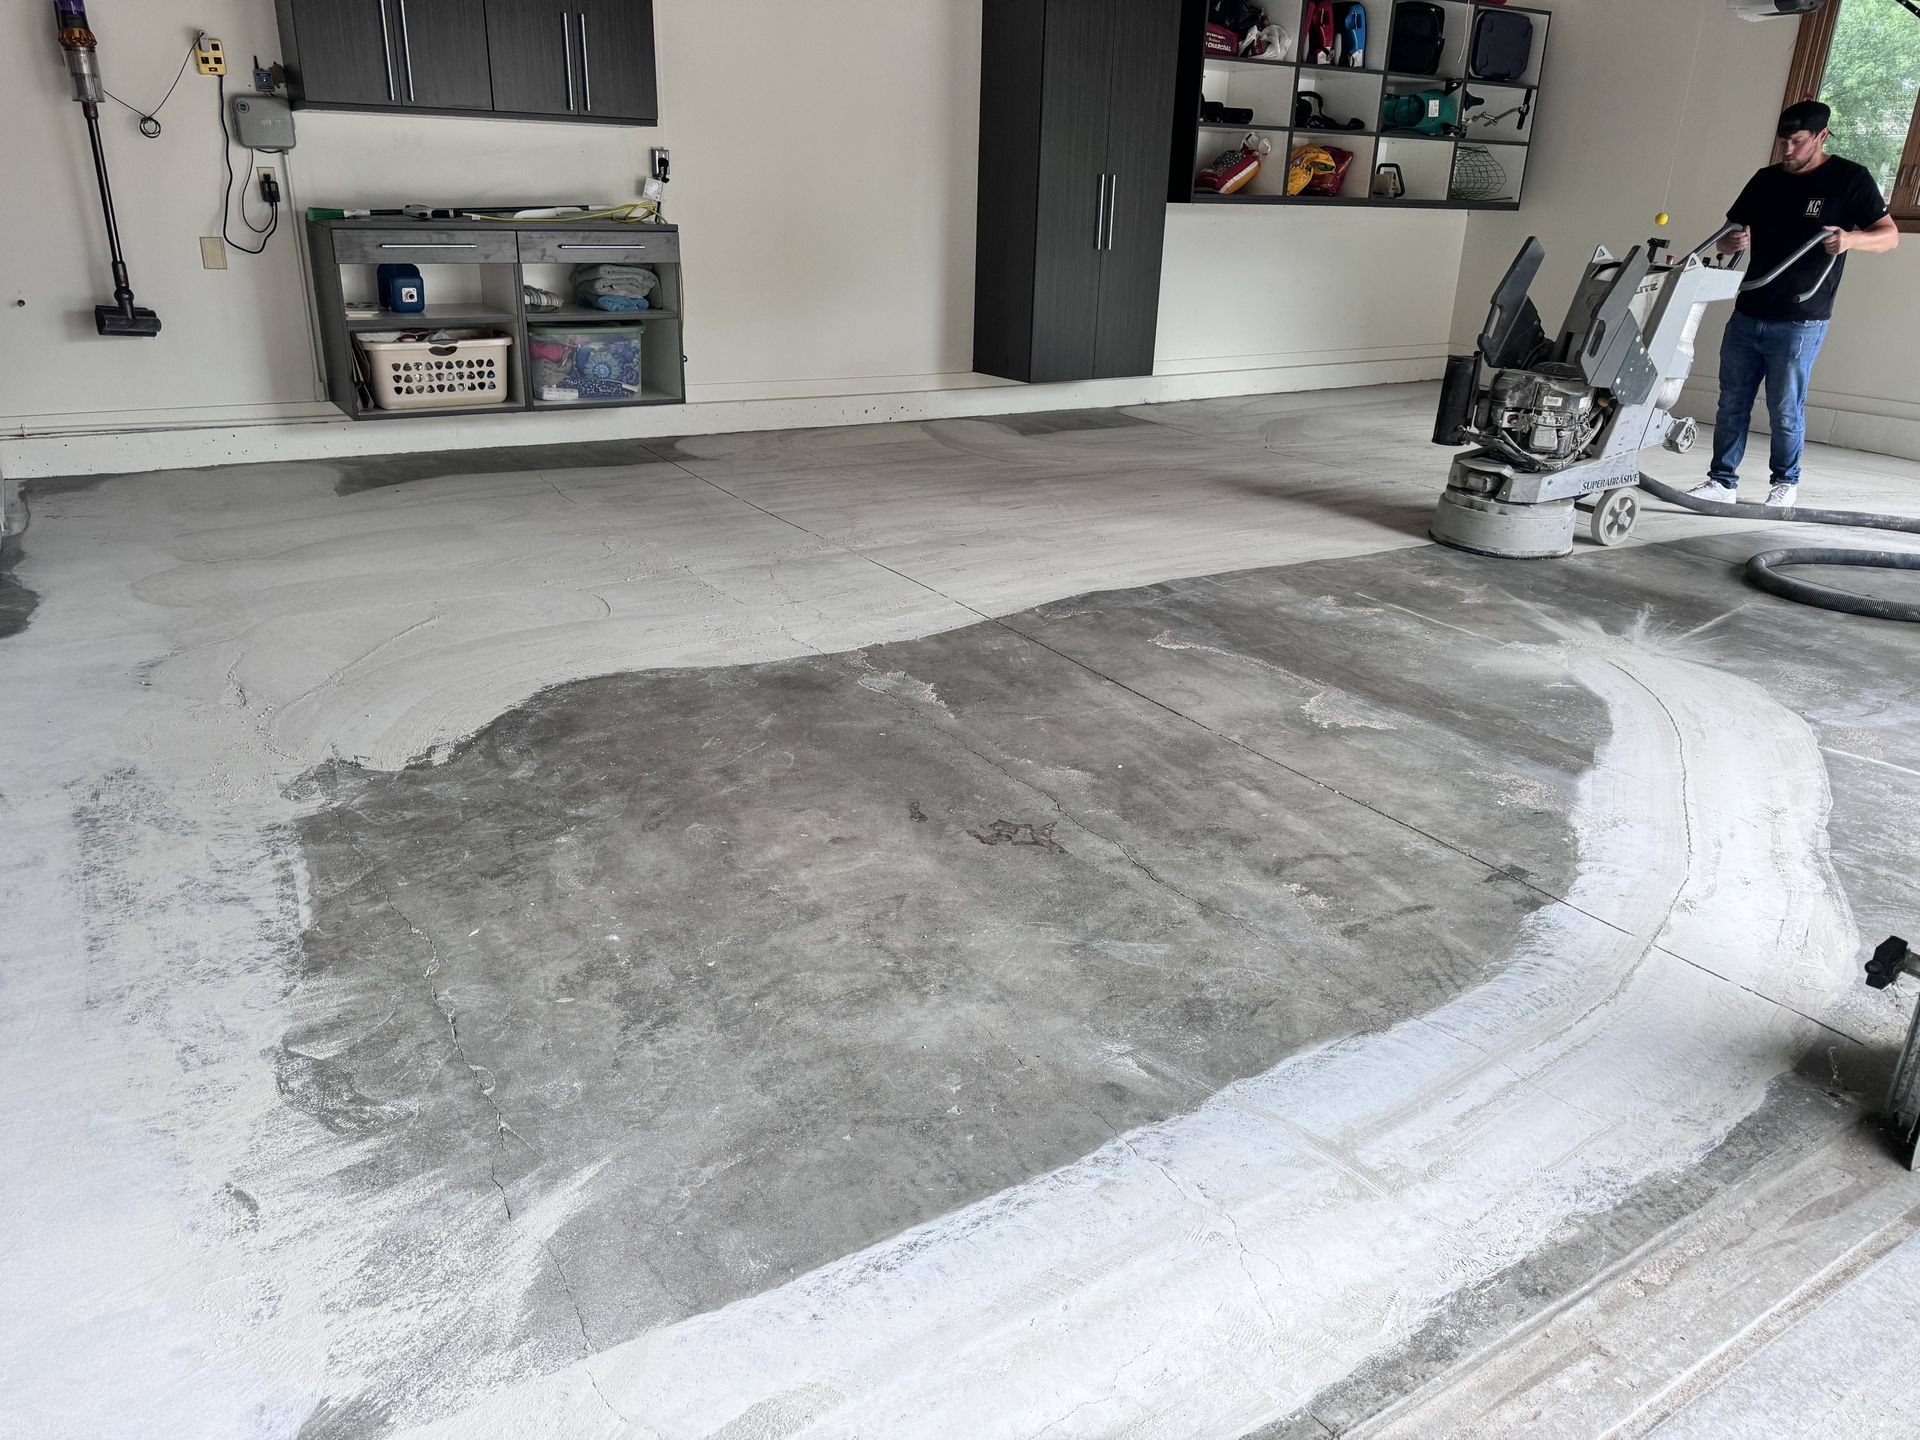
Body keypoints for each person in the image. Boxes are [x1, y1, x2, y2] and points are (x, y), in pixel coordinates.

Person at [1688, 100, 1899, 509]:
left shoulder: (1849, 178)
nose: (1787, 150)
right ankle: (1722, 482)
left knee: (1784, 406)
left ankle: (1785, 482)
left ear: (1821, 137)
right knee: (1732, 400)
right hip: (1750, 308)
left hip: (1802, 317)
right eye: (1783, 140)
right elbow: (1729, 232)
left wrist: (1852, 239)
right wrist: (1731, 242)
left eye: (1797, 142)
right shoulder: (1766, 180)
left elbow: (1889, 236)